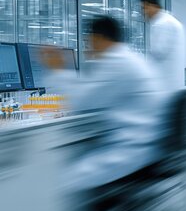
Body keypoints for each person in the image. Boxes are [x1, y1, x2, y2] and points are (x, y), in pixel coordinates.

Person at [43, 16, 163, 190]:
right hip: (143, 145)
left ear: (97, 38)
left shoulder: (118, 62)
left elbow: (78, 103)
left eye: (88, 39)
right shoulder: (127, 58)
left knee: (61, 182)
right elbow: (91, 96)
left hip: (132, 151)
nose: (87, 45)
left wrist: (57, 69)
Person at [141, 0, 186, 90]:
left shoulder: (162, 24)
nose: (144, 12)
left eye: (145, 8)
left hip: (164, 84)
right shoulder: (170, 20)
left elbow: (157, 53)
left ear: (154, 6)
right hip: (172, 83)